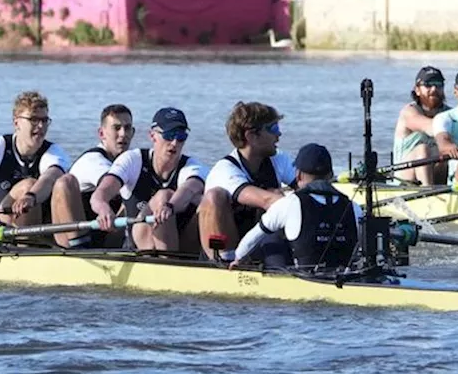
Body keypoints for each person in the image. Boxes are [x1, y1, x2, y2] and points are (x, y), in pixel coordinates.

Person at [0, 91, 83, 247]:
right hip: (5, 228)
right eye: (33, 120)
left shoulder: (53, 152)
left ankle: (74, 247)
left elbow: (49, 178)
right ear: (16, 123)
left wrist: (31, 197)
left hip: (46, 230)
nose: (40, 126)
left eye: (44, 120)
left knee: (56, 182)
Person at [92, 107, 209, 253]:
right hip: (138, 243)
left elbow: (189, 188)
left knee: (169, 196)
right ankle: (166, 264)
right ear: (153, 136)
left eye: (181, 136)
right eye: (169, 135)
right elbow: (100, 193)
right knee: (163, 196)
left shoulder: (193, 167)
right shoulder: (132, 160)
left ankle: (170, 263)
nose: (174, 143)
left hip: (181, 244)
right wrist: (103, 208)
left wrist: (170, 206)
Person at [231, 143, 360, 271]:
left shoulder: (290, 203)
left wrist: (239, 258)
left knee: (271, 235)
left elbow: (251, 239)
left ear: (298, 175)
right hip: (345, 276)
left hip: (305, 277)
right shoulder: (353, 206)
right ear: (331, 175)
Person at [198, 102, 297, 261]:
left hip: (255, 244)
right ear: (251, 136)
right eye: (273, 129)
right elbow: (267, 200)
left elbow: (307, 187)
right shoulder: (223, 171)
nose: (279, 135)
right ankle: (225, 261)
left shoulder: (278, 159)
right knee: (214, 196)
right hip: (225, 250)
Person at [68, 104, 135, 247]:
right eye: (116, 128)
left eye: (127, 128)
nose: (123, 134)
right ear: (101, 133)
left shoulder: (129, 161)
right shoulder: (92, 161)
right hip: (80, 238)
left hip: (103, 234)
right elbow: (113, 185)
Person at [392, 66, 449, 186]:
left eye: (438, 85)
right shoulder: (409, 112)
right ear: (417, 90)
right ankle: (428, 193)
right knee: (422, 149)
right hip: (405, 179)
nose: (434, 89)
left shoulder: (449, 113)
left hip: (437, 172)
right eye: (428, 85)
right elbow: (430, 127)